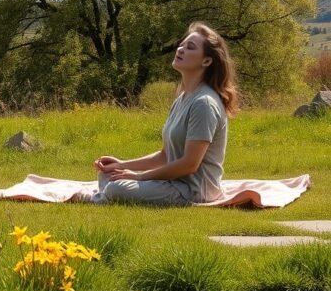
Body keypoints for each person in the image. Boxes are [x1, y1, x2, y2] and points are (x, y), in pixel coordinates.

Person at [94, 22, 239, 206]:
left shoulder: (204, 103)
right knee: (107, 174)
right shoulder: (183, 97)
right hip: (173, 183)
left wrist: (139, 177)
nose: (181, 49)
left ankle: (104, 197)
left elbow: (189, 164)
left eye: (190, 47)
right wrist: (122, 165)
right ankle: (106, 196)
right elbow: (165, 155)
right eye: (182, 44)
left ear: (207, 61)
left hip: (194, 191)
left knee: (117, 188)